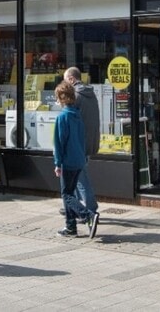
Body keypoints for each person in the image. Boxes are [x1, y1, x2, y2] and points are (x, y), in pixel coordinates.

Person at [53, 81, 99, 239]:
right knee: (70, 193)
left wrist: (57, 163)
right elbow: (82, 138)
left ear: (61, 98)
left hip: (68, 161)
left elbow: (59, 143)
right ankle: (70, 227)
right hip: (79, 159)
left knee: (66, 194)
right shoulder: (77, 115)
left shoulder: (62, 117)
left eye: (57, 97)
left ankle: (88, 215)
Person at [61, 67, 100, 221]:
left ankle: (91, 211)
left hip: (78, 143)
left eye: (65, 80)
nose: (65, 84)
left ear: (71, 79)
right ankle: (75, 207)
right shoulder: (90, 93)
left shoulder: (76, 95)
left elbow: (69, 119)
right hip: (89, 141)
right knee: (76, 178)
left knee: (80, 179)